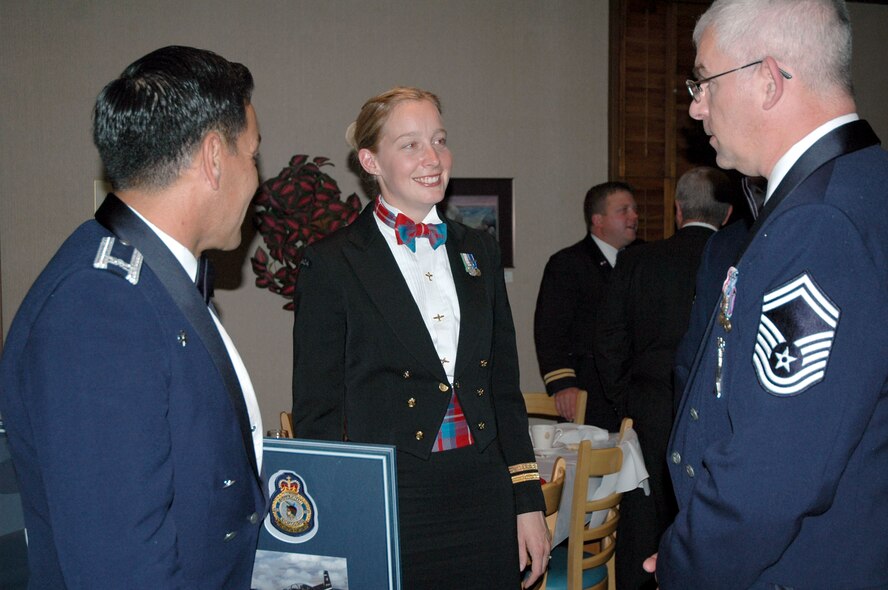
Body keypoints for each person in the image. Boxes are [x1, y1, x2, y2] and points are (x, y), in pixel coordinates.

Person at [0, 46, 265, 588]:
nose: (257, 178)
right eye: (253, 155)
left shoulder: (144, 277)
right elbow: (116, 567)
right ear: (215, 157)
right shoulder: (99, 306)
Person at [646, 1, 888, 588]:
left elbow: (776, 471)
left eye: (702, 80)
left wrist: (685, 566)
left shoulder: (819, 224)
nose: (695, 106)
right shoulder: (861, 184)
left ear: (767, 79)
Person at [291, 87, 549, 589]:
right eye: (410, 145)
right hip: (391, 498)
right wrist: (337, 520)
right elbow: (317, 412)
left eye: (439, 140)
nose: (433, 158)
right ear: (371, 161)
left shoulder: (479, 251)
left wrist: (527, 501)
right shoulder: (332, 263)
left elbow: (502, 388)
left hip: (484, 491)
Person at [594, 167, 732, 590]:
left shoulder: (637, 260)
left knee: (641, 525)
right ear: (727, 215)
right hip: (716, 413)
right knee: (708, 521)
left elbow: (609, 339)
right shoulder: (738, 259)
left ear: (677, 211)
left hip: (647, 409)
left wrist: (625, 403)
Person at [533, 182, 639, 429]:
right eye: (623, 210)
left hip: (636, 392)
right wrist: (563, 384)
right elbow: (550, 330)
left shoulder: (645, 260)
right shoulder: (568, 264)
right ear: (598, 220)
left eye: (634, 209)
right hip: (589, 390)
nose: (634, 216)